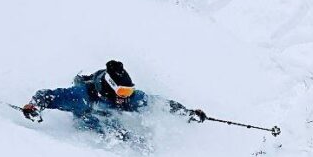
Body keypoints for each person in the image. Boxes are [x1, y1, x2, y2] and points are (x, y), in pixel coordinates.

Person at [21, 60, 205, 139]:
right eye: (122, 92)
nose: (126, 97)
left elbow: (160, 105)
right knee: (114, 134)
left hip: (110, 122)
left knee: (133, 138)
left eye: (129, 91)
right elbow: (48, 95)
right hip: (88, 124)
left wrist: (186, 113)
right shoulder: (81, 97)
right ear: (109, 88)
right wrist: (34, 106)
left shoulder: (131, 99)